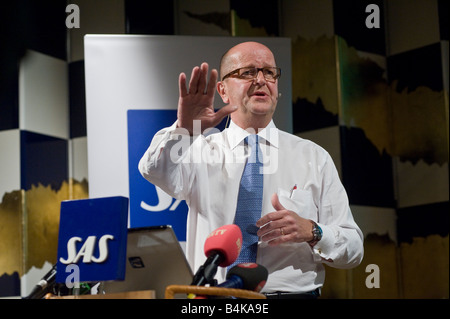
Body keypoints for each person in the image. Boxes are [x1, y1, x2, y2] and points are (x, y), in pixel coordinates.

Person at [138, 41, 364, 298]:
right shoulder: (198, 149)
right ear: (222, 90)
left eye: (269, 72)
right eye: (247, 72)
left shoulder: (313, 156)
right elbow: (152, 169)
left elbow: (354, 249)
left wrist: (313, 231)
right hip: (214, 299)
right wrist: (184, 130)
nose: (261, 80)